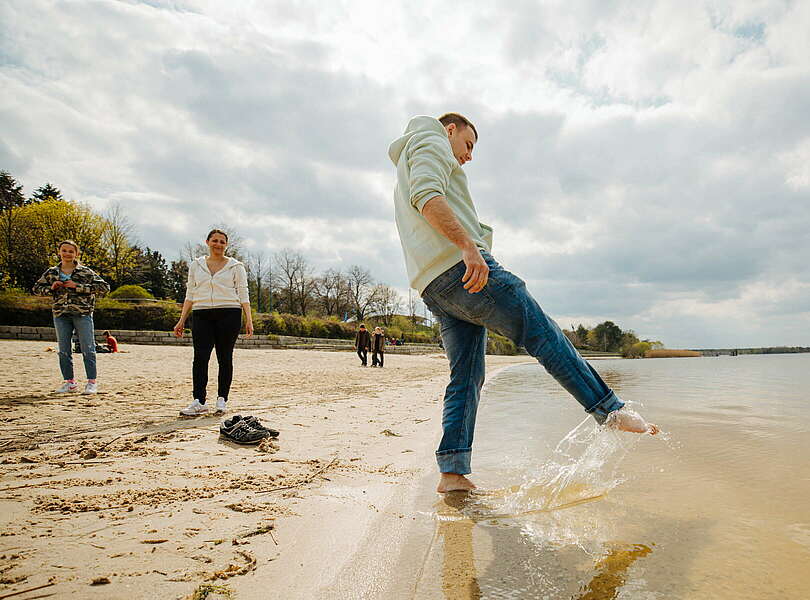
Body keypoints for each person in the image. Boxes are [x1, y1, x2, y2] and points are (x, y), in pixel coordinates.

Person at [388, 113, 659, 493]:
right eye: (468, 145)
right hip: (461, 268)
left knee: (466, 376)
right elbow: (427, 196)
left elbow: (424, 196)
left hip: (432, 285)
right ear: (449, 130)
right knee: (542, 332)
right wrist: (469, 246)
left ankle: (452, 473)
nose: (468, 156)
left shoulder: (407, 160)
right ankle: (610, 411)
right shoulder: (429, 140)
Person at [173, 229, 253, 416]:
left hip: (229, 313)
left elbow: (243, 293)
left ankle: (222, 399)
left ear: (226, 245)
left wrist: (248, 319)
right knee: (200, 358)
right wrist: (181, 319)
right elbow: (190, 294)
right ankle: (199, 401)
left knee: (224, 358)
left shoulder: (236, 266)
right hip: (201, 314)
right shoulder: (196, 265)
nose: (218, 244)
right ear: (207, 242)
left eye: (222, 242)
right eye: (215, 240)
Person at [33, 240, 110, 394]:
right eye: (64, 250)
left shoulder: (86, 272)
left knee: (88, 348)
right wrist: (51, 288)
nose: (67, 254)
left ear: (76, 254)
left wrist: (77, 287)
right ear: (59, 252)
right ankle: (70, 383)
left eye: (70, 251)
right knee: (64, 350)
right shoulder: (51, 272)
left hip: (83, 314)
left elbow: (104, 288)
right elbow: (36, 289)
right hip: (61, 314)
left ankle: (91, 383)